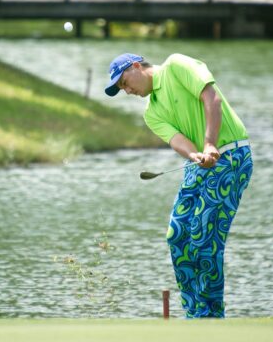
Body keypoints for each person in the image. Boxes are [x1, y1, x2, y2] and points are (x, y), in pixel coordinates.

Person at [104, 52, 253, 318]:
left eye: (125, 82)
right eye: (121, 89)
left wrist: (209, 143)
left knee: (203, 237)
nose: (127, 91)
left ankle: (209, 316)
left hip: (231, 154)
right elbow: (177, 140)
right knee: (178, 234)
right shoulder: (152, 113)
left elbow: (212, 98)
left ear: (137, 66)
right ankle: (194, 313)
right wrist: (195, 154)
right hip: (198, 163)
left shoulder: (176, 65)